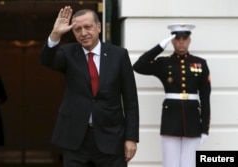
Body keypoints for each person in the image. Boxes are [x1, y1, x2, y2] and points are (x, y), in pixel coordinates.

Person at [40, 6, 139, 167]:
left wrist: (131, 138)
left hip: (111, 137)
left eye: (88, 27)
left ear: (98, 27)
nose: (83, 33)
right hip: (76, 138)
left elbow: (130, 100)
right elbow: (47, 61)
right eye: (77, 29)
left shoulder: (119, 55)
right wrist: (55, 35)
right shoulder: (68, 53)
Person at [133, 23, 211, 167]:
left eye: (184, 38)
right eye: (177, 38)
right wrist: (160, 47)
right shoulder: (164, 63)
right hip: (171, 118)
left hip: (192, 118)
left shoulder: (200, 63)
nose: (181, 41)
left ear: (189, 40)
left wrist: (205, 128)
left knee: (190, 163)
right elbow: (138, 66)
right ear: (172, 41)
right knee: (170, 163)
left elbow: (205, 97)